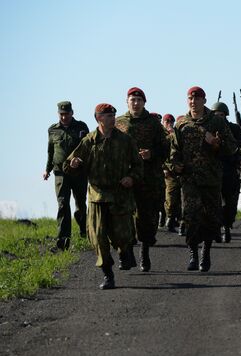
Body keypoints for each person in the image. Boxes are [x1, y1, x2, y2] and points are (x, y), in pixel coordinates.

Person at [63, 103, 143, 290]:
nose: (112, 118)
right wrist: (73, 164)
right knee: (98, 237)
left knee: (122, 236)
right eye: (108, 116)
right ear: (98, 118)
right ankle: (108, 274)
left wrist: (131, 178)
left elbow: (138, 166)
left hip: (120, 195)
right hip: (98, 196)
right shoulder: (89, 141)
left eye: (113, 115)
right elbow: (69, 166)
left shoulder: (125, 140)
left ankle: (125, 251)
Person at [170, 86, 238, 272]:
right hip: (189, 179)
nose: (194, 102)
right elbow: (174, 149)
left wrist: (217, 144)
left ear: (204, 101)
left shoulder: (216, 122)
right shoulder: (181, 124)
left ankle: (205, 252)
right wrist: (175, 164)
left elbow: (231, 148)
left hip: (211, 178)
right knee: (190, 217)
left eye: (197, 98)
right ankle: (193, 252)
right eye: (190, 99)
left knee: (210, 218)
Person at [115, 87, 170, 272]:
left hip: (149, 178)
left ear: (144, 103)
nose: (135, 103)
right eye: (132, 99)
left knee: (147, 218)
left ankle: (144, 250)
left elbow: (165, 149)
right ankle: (127, 251)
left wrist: (151, 154)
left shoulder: (154, 124)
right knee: (124, 216)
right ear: (127, 102)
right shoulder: (118, 123)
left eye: (139, 100)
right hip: (126, 178)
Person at [43, 101, 89, 250]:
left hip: (78, 173)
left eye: (66, 114)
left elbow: (88, 149)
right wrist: (47, 169)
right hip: (60, 173)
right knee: (63, 204)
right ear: (58, 114)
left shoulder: (81, 127)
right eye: (61, 114)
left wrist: (82, 162)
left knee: (80, 204)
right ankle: (63, 241)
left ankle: (84, 230)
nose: (64, 117)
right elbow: (51, 151)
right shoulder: (52, 130)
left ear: (72, 113)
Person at [211, 102, 241, 243]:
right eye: (216, 115)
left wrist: (233, 144)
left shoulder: (233, 128)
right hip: (213, 169)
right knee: (214, 201)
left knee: (230, 202)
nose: (219, 117)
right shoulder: (209, 128)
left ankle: (227, 226)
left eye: (221, 115)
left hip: (230, 169)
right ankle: (217, 228)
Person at [161, 113, 182, 233]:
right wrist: (164, 168)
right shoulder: (161, 136)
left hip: (179, 170)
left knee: (180, 198)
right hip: (168, 171)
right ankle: (169, 218)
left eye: (171, 121)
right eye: (166, 121)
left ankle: (177, 220)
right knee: (170, 197)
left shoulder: (177, 135)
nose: (169, 123)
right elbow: (161, 154)